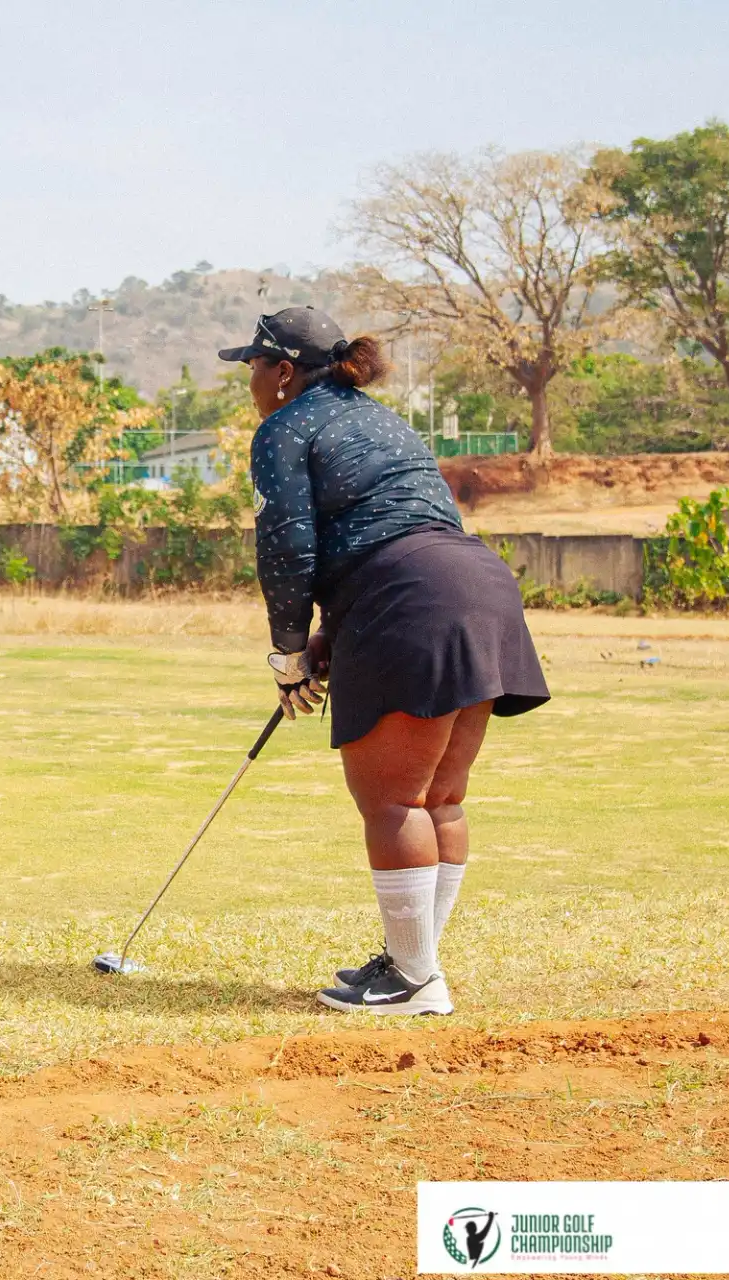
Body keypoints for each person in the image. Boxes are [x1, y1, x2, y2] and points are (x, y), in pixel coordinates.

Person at [218, 307, 548, 1015]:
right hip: (477, 585)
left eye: (252, 365)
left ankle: (416, 979)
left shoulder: (283, 426)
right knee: (439, 799)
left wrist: (286, 653)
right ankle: (413, 963)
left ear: (282, 372)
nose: (248, 379)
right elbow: (399, 528)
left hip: (410, 598)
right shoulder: (385, 421)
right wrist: (329, 640)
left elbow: (288, 548)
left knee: (394, 801)